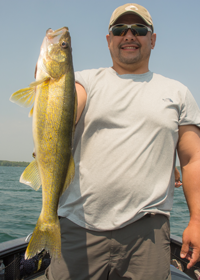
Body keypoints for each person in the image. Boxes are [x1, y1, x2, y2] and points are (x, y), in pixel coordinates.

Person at [45, 3, 200, 280]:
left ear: (152, 39)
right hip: (78, 226)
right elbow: (63, 115)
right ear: (109, 40)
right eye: (120, 30)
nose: (129, 35)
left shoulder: (178, 92)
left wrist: (197, 221)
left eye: (139, 29)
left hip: (147, 234)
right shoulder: (82, 81)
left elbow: (192, 160)